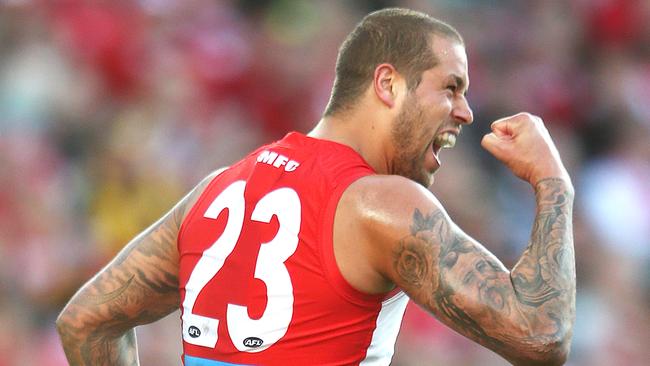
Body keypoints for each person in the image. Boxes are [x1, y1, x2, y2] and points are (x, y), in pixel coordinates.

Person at [56, 8, 575, 366]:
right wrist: (553, 184)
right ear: (388, 85)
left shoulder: (216, 190)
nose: (465, 111)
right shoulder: (381, 203)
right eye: (451, 87)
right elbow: (539, 335)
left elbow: (86, 323)